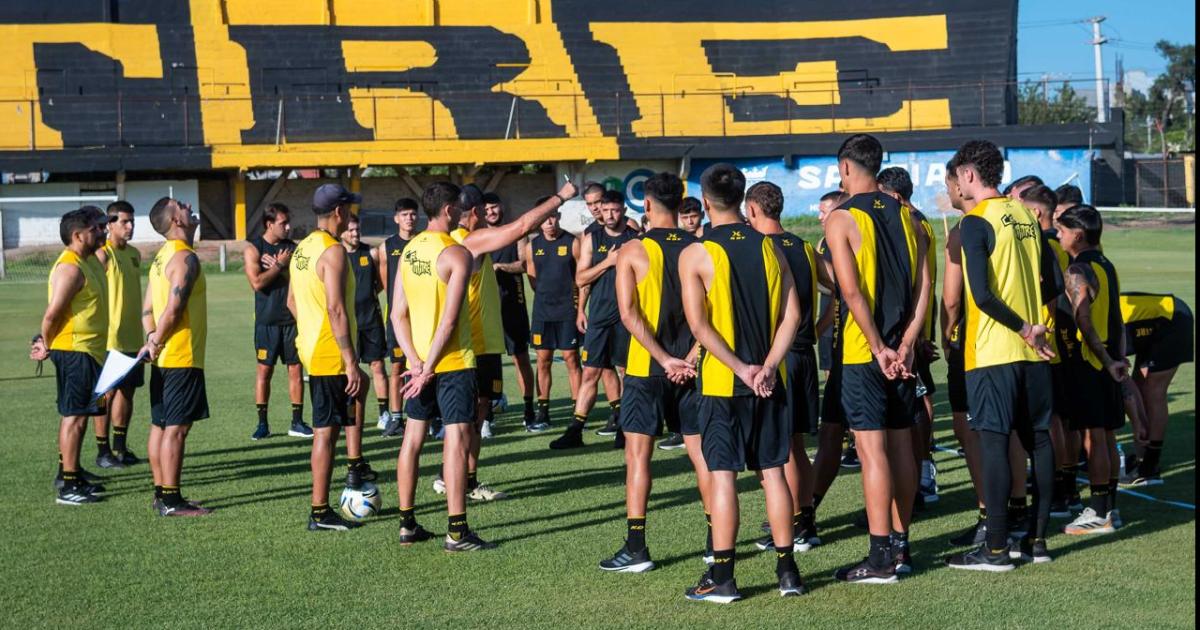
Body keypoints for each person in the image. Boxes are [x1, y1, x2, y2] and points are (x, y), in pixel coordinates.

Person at [679, 163, 805, 602]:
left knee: (723, 477)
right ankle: (788, 571)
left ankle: (724, 577)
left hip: (722, 383)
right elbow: (793, 315)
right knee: (773, 472)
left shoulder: (696, 253)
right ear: (743, 198)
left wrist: (740, 368)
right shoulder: (771, 246)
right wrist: (767, 366)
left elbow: (699, 326)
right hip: (769, 382)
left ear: (705, 201)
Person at [942, 140, 1059, 570]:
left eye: (957, 177)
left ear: (969, 175)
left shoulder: (975, 222)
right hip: (1034, 352)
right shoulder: (1027, 215)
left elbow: (982, 295)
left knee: (993, 444)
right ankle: (1038, 542)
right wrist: (1034, 327)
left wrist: (1022, 327)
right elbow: (1052, 285)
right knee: (1038, 441)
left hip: (994, 351)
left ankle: (994, 549)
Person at [824, 134, 928, 583]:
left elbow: (850, 292)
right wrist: (907, 344)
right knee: (903, 445)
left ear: (846, 167)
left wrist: (877, 346)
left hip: (863, 352)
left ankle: (880, 555)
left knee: (872, 452)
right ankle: (902, 547)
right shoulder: (910, 216)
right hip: (902, 352)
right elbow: (925, 286)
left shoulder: (841, 217)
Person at [598, 172, 709, 573]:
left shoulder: (632, 249)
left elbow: (628, 314)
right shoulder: (701, 248)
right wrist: (690, 358)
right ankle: (715, 542)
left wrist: (664, 360)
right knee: (701, 455)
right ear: (682, 204)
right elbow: (712, 313)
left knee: (638, 457)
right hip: (693, 370)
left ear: (645, 205)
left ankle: (636, 548)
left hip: (647, 369)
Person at [744, 181, 824, 554]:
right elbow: (838, 287)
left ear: (753, 210)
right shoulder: (804, 246)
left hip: (781, 357)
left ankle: (795, 525)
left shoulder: (762, 248)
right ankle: (806, 520)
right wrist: (819, 327)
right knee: (796, 445)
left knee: (785, 447)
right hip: (805, 353)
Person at [289, 185, 368, 530]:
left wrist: (310, 330)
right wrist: (350, 360)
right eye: (349, 208)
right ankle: (319, 512)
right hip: (329, 353)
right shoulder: (333, 250)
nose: (352, 214)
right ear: (339, 211)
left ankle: (349, 473)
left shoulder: (303, 248)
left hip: (313, 348)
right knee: (325, 432)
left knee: (333, 426)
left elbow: (291, 302)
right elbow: (336, 309)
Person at [31, 207, 110, 505]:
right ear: (77, 235)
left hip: (90, 351)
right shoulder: (70, 268)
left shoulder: (89, 261)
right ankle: (68, 486)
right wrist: (46, 343)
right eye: (95, 229)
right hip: (76, 351)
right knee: (74, 416)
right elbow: (52, 315)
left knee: (82, 414)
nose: (102, 231)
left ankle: (73, 473)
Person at [1058, 205, 1128, 536]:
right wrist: (1118, 357)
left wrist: (1104, 358)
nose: (1058, 236)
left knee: (1094, 436)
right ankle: (1110, 507)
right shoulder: (1106, 264)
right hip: (1110, 358)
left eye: (1062, 231)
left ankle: (1099, 513)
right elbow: (1118, 317)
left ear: (1078, 235)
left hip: (1091, 360)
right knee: (1107, 434)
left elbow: (1083, 319)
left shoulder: (1077, 269)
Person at [140, 197, 212, 516]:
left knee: (161, 425)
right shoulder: (184, 258)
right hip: (181, 355)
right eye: (181, 206)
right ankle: (171, 500)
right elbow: (173, 309)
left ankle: (162, 494)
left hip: (163, 358)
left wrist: (152, 340)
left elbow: (146, 310)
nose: (189, 206)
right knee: (177, 429)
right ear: (176, 221)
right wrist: (156, 340)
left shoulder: (161, 258)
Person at [551, 189, 636, 449]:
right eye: (605, 209)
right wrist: (608, 262)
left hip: (627, 316)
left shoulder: (635, 239)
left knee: (626, 372)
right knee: (591, 372)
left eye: (614, 210)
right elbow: (580, 279)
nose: (609, 214)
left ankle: (625, 427)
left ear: (623, 210)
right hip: (598, 317)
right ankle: (575, 430)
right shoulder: (591, 238)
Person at [877, 166, 940, 507]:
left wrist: (917, 336)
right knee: (917, 400)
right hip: (915, 328)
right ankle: (920, 474)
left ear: (895, 196)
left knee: (915, 405)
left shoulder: (912, 224)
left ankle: (921, 476)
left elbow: (921, 284)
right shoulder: (917, 222)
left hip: (909, 332)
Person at [1021, 184, 1084, 516]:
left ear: (1035, 212)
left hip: (1051, 343)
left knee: (1053, 421)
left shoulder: (1043, 244)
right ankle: (1068, 487)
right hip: (1069, 339)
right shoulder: (1062, 243)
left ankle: (1059, 490)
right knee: (1067, 420)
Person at [244, 203, 310, 441]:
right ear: (269, 224)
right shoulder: (253, 249)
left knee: (296, 370)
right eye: (283, 223)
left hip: (292, 321)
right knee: (265, 371)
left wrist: (279, 267)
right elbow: (257, 283)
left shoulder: (293, 248)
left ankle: (297, 422)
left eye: (288, 222)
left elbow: (302, 278)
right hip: (267, 322)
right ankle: (262, 424)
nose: (288, 227)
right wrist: (281, 265)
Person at [1119, 292, 1193, 486]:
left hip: (1173, 322)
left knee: (1153, 391)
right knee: (1140, 386)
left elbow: (1122, 379)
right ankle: (1142, 457)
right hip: (1151, 328)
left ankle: (1149, 466)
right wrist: (1139, 422)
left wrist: (1138, 423)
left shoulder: (1101, 330)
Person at [93, 201, 144, 469]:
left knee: (127, 392)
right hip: (111, 339)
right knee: (106, 394)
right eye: (124, 222)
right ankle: (103, 451)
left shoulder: (135, 254)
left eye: (132, 221)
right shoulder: (103, 255)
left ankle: (120, 448)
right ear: (109, 225)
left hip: (134, 336)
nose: (130, 226)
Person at [525, 205, 582, 431]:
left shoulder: (572, 242)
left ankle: (578, 412)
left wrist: (576, 304)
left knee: (571, 358)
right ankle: (543, 411)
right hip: (542, 312)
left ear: (558, 217)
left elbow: (580, 277)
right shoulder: (532, 246)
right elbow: (532, 279)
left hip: (567, 311)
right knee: (543, 360)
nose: (549, 222)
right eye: (544, 219)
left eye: (552, 217)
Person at [484, 193, 538, 426]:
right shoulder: (479, 236)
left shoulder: (515, 232)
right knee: (488, 361)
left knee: (520, 357)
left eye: (494, 208)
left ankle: (529, 410)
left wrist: (500, 267)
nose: (491, 213)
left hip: (513, 305)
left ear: (502, 207)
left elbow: (525, 264)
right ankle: (488, 411)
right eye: (486, 209)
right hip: (486, 309)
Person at [340, 214, 385, 485]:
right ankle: (350, 416)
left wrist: (367, 299)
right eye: (351, 230)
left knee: (377, 366)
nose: (355, 234)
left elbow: (380, 283)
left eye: (357, 230)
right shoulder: (337, 256)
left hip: (371, 320)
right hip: (350, 323)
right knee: (353, 372)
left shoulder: (371, 253)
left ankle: (384, 414)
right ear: (343, 232)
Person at [377, 197, 420, 436]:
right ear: (396, 218)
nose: (409, 218)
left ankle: (428, 416)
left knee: (424, 366)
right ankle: (396, 418)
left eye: (412, 214)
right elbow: (386, 283)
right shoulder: (386, 247)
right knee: (396, 367)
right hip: (397, 319)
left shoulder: (424, 242)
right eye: (404, 215)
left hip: (422, 317)